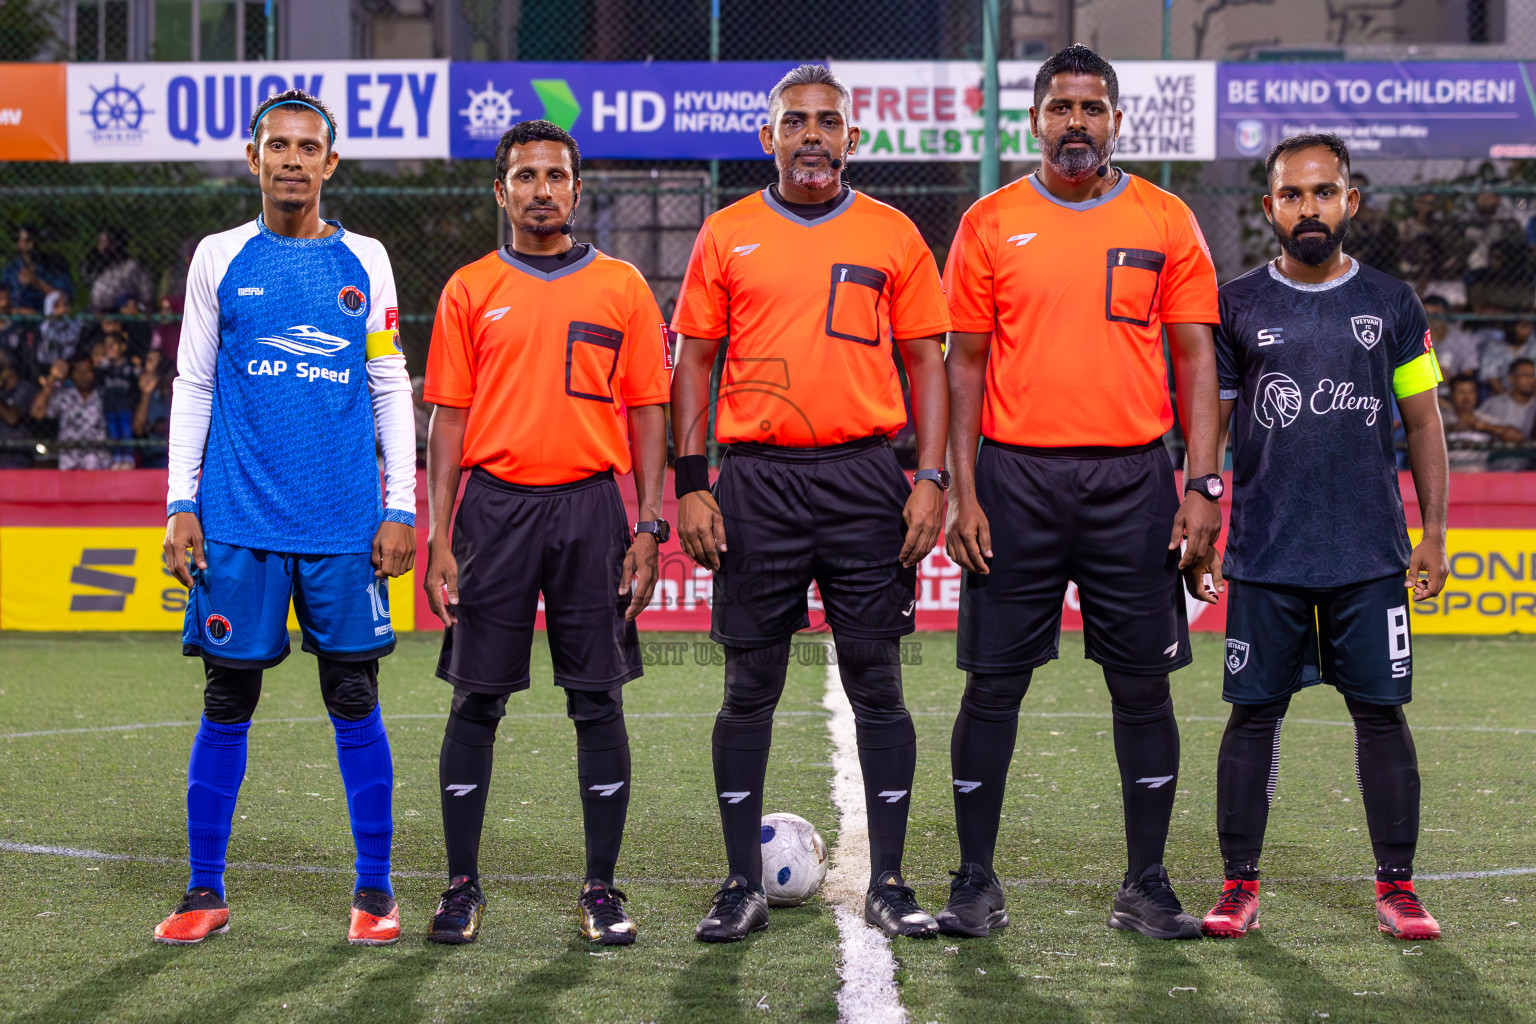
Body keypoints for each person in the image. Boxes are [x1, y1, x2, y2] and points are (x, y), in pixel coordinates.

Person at [939, 44, 1221, 941]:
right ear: (1034, 121)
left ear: (1116, 121)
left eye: (1092, 109)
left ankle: (1147, 883)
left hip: (1134, 481)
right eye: (1061, 108)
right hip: (1015, 481)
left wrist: (1203, 482)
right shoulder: (988, 223)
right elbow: (965, 369)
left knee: (1144, 687)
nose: (1076, 124)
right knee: (992, 686)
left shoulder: (1166, 218)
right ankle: (975, 881)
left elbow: (1197, 362)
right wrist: (963, 490)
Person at [671, 64, 951, 942]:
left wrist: (933, 476)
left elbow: (928, 366)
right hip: (757, 480)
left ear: (852, 138)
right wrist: (690, 482)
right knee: (749, 686)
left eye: (828, 122)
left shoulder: (894, 233)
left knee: (878, 682)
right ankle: (737, 884)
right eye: (795, 122)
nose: (812, 136)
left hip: (867, 479)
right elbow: (693, 367)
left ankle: (892, 881)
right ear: (769, 138)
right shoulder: (726, 234)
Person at [155, 89, 417, 948]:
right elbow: (193, 383)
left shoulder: (368, 260)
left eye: (310, 147)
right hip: (236, 522)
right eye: (280, 146)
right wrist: (180, 503)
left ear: (331, 163)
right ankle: (203, 891)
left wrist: (400, 504)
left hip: (344, 527)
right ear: (254, 155)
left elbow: (388, 385)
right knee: (226, 699)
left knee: (354, 698)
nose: (294, 160)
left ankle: (374, 895)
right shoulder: (218, 257)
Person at [420, 120, 668, 946]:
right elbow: (447, 421)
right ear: (501, 192)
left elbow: (648, 411)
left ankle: (600, 888)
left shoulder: (624, 287)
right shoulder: (467, 289)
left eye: (554, 175)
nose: (540, 189)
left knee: (597, 699)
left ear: (576, 187)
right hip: (493, 509)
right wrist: (439, 532)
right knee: (478, 698)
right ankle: (460, 887)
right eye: (523, 175)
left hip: (592, 508)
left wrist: (649, 522)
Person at [1196, 132, 1450, 943]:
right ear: (1269, 207)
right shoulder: (1236, 305)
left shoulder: (1393, 302)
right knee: (1253, 715)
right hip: (1267, 554)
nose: (1310, 207)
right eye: (1294, 194)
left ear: (1351, 202)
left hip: (1369, 555)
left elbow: (1424, 424)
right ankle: (1239, 884)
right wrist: (1200, 519)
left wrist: (1435, 531)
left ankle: (1398, 888)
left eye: (1325, 192)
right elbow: (1213, 428)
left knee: (1381, 715)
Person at [31, 354, 110, 470]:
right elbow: (37, 413)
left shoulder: (103, 395)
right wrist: (52, 379)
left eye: (87, 371)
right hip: (70, 463)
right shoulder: (64, 395)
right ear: (71, 375)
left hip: (99, 464)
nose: (83, 376)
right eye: (79, 372)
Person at [1, 226, 73, 315]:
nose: (31, 246)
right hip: (16, 319)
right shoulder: (10, 270)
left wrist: (36, 282)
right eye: (26, 241)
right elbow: (3, 300)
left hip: (46, 320)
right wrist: (19, 312)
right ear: (19, 243)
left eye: (34, 241)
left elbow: (65, 296)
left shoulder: (52, 267)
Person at [82, 227, 153, 313]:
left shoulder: (130, 266)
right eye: (101, 242)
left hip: (122, 310)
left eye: (107, 242)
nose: (103, 247)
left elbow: (146, 295)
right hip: (98, 310)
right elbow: (87, 280)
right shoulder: (97, 264)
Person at [1442, 374, 1495, 472]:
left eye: (1470, 392)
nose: (1466, 397)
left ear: (1476, 394)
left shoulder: (1486, 419)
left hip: (1481, 477)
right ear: (1451, 394)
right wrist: (1453, 427)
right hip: (1449, 476)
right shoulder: (1441, 418)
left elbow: (1517, 437)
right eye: (1461, 392)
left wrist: (1486, 427)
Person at [1421, 294, 1481, 382]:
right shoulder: (1417, 337)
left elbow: (1469, 369)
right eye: (1427, 314)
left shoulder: (1461, 336)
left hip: (1454, 388)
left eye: (1436, 314)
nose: (1432, 319)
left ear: (1446, 312)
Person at [133, 349, 173, 469]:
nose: (148, 365)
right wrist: (145, 393)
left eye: (152, 361)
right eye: (147, 361)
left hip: (169, 454)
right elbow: (138, 428)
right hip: (150, 454)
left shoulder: (172, 390)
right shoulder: (144, 390)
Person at [0, 351, 38, 468]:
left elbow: (12, 419)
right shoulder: (2, 392)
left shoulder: (26, 389)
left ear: (7, 370)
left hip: (18, 459)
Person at [1479, 319, 1536, 395]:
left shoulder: (1533, 346)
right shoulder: (1493, 347)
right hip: (1501, 397)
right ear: (1511, 328)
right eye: (1523, 326)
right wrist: (1511, 400)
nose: (1528, 331)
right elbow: (1493, 381)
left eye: (1530, 326)